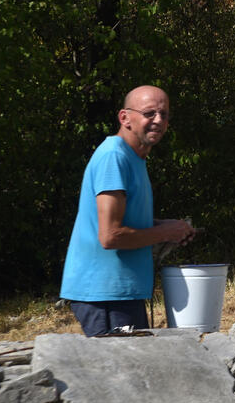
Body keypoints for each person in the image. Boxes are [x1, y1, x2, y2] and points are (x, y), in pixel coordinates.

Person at [60, 86, 195, 336]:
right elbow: (110, 236)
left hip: (121, 292)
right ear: (125, 118)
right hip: (105, 295)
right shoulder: (114, 157)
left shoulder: (134, 158)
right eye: (149, 113)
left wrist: (167, 227)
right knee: (119, 372)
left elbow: (126, 219)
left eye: (164, 114)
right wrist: (164, 232)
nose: (158, 120)